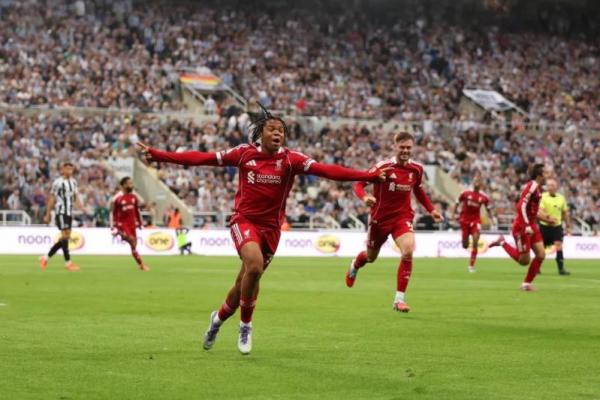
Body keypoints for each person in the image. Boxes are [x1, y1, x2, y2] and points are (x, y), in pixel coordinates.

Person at [137, 104, 388, 355]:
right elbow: (203, 158)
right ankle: (246, 326)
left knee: (243, 284)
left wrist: (367, 176)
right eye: (272, 129)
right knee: (255, 266)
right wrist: (159, 155)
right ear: (260, 134)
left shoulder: (291, 160)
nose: (278, 133)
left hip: (272, 229)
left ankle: (218, 319)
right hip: (244, 221)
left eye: (281, 130)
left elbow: (328, 171)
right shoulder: (243, 154)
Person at [345, 132, 443, 313]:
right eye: (402, 147)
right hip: (379, 220)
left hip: (402, 218)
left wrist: (432, 210)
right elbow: (358, 184)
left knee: (408, 250)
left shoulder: (416, 169)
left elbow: (419, 191)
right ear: (394, 147)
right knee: (371, 257)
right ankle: (355, 264)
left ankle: (399, 299)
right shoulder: (383, 167)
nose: (405, 151)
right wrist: (365, 197)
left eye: (408, 148)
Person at [489, 164, 553, 291]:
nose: (548, 176)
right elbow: (521, 206)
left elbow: (532, 210)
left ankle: (526, 284)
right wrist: (526, 225)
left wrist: (546, 219)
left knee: (541, 254)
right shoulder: (532, 186)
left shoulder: (538, 188)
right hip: (522, 226)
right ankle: (502, 242)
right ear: (539, 175)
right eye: (545, 173)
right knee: (524, 261)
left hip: (531, 225)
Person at [39, 162, 81, 272]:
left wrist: (81, 206)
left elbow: (75, 196)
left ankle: (45, 258)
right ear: (63, 170)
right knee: (65, 236)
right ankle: (68, 263)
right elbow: (52, 198)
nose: (70, 171)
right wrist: (47, 214)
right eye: (67, 168)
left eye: (71, 169)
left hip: (69, 212)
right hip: (61, 211)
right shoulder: (58, 182)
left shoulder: (74, 182)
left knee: (65, 238)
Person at [452, 175, 492, 273]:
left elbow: (488, 208)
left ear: (481, 184)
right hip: (464, 220)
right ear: (473, 183)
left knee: (475, 241)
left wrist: (491, 219)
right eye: (475, 181)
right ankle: (465, 240)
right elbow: (457, 202)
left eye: (478, 181)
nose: (476, 183)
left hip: (475, 221)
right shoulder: (466, 193)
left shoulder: (484, 197)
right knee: (465, 245)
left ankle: (471, 266)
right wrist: (454, 213)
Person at [111, 177, 149, 272]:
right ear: (123, 185)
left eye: (131, 183)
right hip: (123, 225)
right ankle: (120, 233)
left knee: (134, 245)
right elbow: (114, 213)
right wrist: (114, 226)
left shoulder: (134, 198)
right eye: (129, 183)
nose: (131, 185)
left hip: (132, 225)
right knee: (131, 241)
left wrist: (140, 223)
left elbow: (136, 211)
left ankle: (140, 264)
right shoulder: (118, 199)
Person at [538, 179, 571, 275]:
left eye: (552, 185)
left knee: (559, 245)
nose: (550, 187)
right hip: (544, 226)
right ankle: (537, 268)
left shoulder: (561, 198)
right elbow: (540, 210)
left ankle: (561, 269)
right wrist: (548, 218)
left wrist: (568, 225)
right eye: (548, 185)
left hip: (557, 227)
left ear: (556, 187)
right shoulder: (543, 196)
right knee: (541, 249)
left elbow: (565, 213)